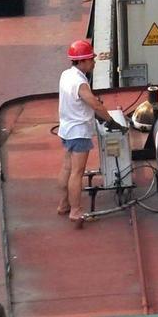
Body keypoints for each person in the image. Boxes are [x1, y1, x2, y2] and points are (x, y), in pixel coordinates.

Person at [57, 38, 117, 225]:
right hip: (79, 131)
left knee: (67, 168)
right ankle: (76, 211)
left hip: (66, 128)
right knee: (77, 172)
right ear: (82, 61)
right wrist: (111, 121)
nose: (94, 62)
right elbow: (92, 103)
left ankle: (64, 204)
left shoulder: (66, 75)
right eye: (91, 59)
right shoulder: (81, 83)